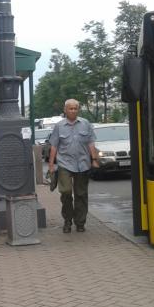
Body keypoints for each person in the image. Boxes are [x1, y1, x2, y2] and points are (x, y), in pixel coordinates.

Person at [48, 99, 99, 233]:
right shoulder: (59, 126)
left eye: (75, 108)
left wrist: (94, 159)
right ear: (65, 110)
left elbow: (91, 143)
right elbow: (54, 146)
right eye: (70, 109)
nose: (73, 111)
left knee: (81, 194)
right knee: (65, 192)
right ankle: (67, 220)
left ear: (78, 110)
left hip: (83, 164)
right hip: (65, 163)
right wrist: (51, 165)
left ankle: (80, 222)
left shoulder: (85, 124)